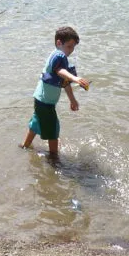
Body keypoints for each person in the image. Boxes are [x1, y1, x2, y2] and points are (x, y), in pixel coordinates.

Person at [20, 26, 90, 158]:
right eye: (69, 46)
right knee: (53, 130)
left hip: (41, 99)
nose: (71, 50)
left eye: (73, 47)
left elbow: (65, 82)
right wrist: (75, 78)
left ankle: (25, 145)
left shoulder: (60, 56)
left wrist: (72, 99)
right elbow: (59, 71)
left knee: (36, 122)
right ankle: (54, 158)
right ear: (59, 43)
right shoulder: (59, 55)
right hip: (45, 102)